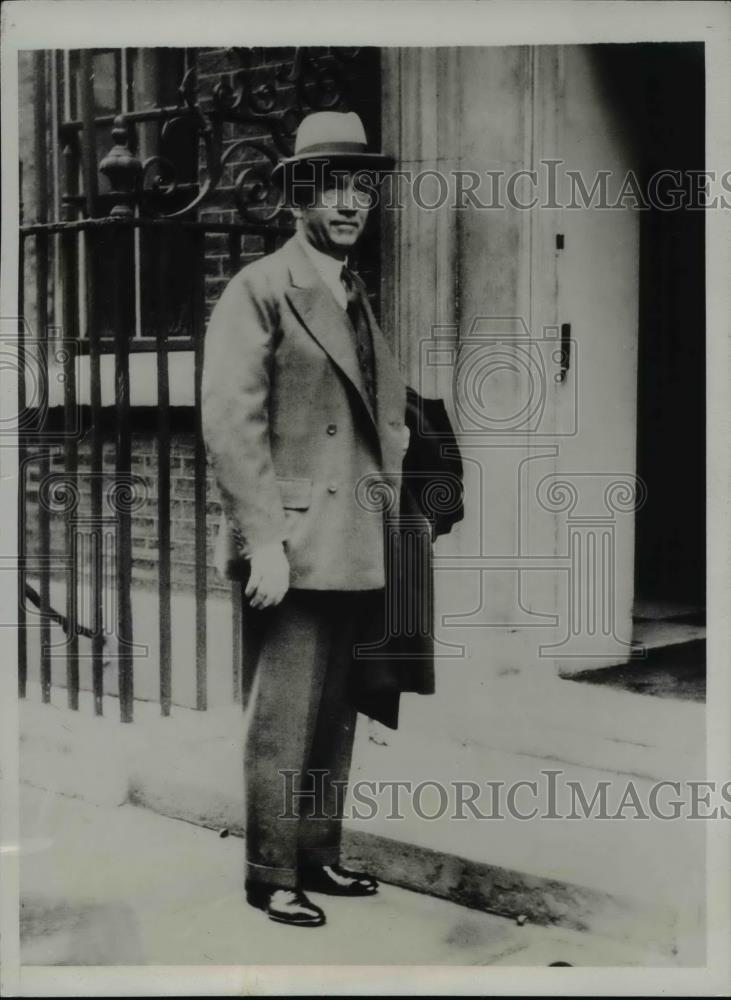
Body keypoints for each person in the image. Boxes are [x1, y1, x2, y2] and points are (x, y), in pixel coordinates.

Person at [201, 110, 409, 928]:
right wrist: (263, 542)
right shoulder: (259, 289)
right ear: (297, 197)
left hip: (354, 536)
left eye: (362, 186)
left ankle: (317, 855)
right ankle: (268, 871)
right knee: (283, 714)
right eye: (331, 186)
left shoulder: (355, 294)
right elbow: (230, 424)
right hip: (289, 539)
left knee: (334, 710)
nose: (352, 202)